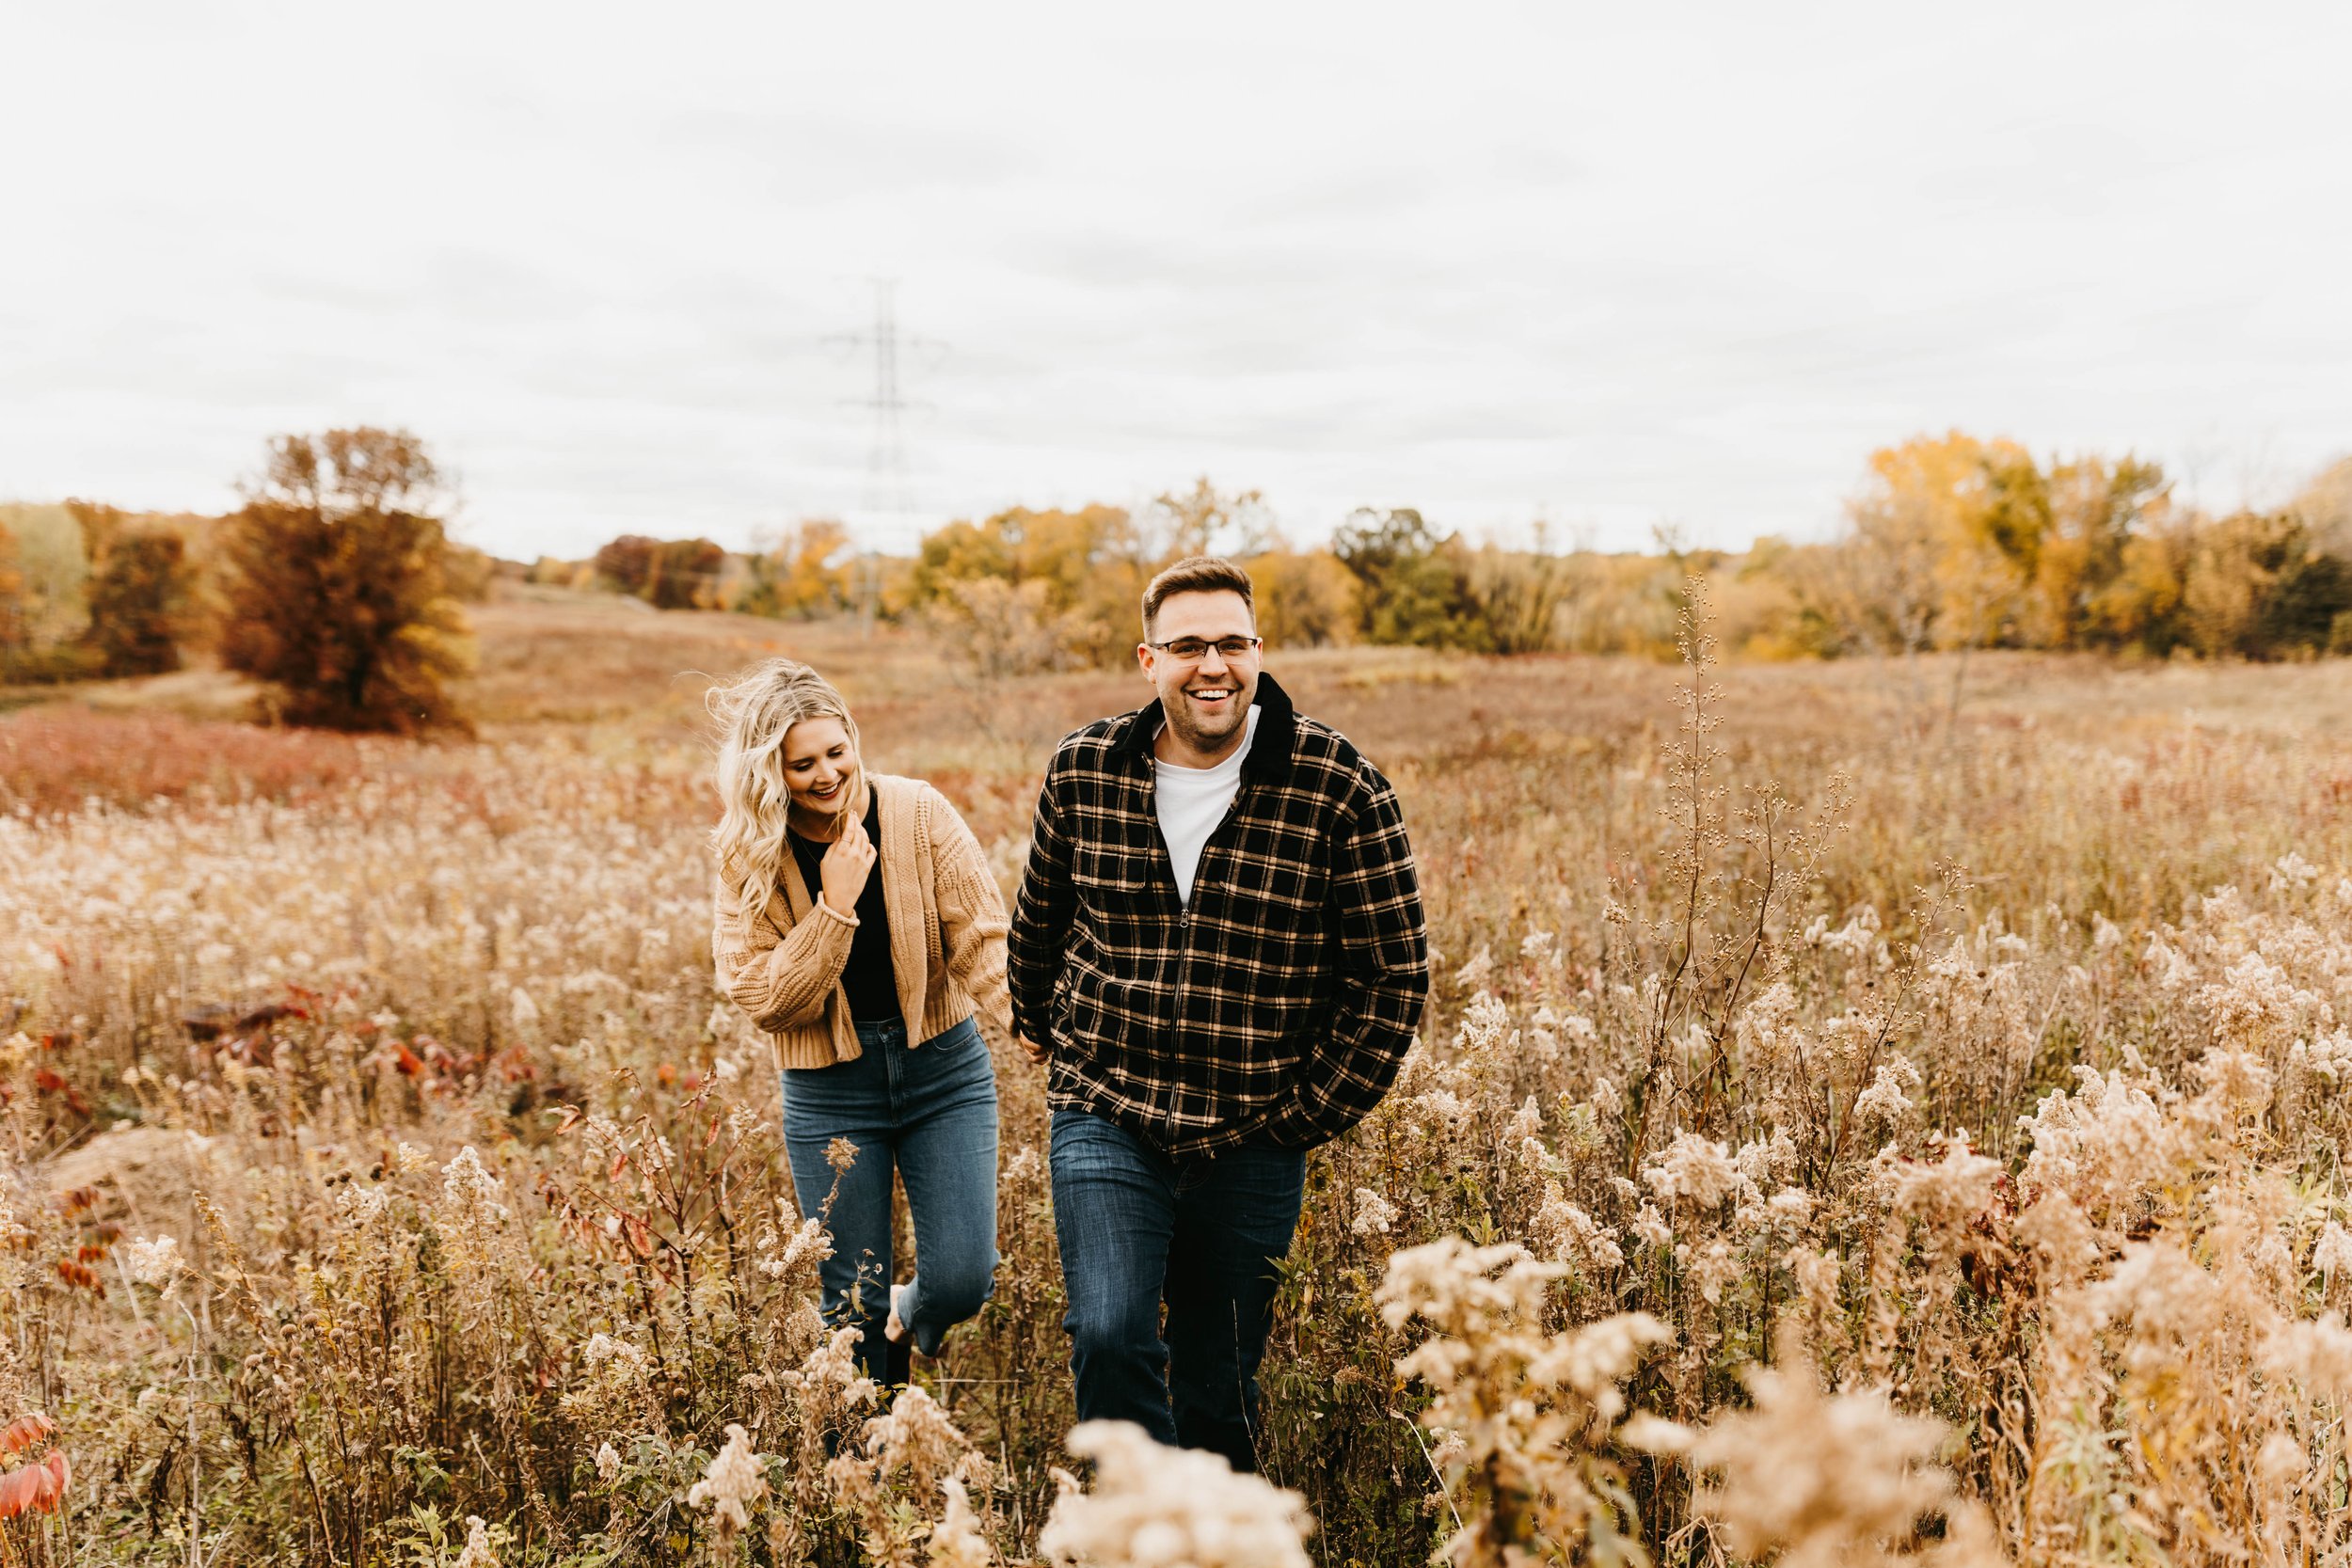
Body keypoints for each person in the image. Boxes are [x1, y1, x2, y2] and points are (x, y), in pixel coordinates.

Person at [1009, 555, 1429, 1473]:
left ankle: (1210, 1532)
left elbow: (1393, 978)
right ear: (1148, 659)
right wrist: (1043, 1024)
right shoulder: (1085, 769)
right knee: (1112, 1333)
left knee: (1218, 1384)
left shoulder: (1336, 784)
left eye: (1231, 643)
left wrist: (1297, 1119)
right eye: (1188, 645)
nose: (1213, 666)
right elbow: (1038, 920)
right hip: (1107, 1110)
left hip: (1253, 1133)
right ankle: (1138, 1526)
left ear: (1258, 651)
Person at [709, 658, 1010, 1386]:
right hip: (829, 1095)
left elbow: (983, 936)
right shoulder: (745, 855)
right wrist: (834, 907)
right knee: (850, 1304)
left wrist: (1030, 1027)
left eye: (836, 752)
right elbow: (767, 999)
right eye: (801, 764)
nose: (826, 775)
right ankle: (863, 1475)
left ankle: (912, 1311)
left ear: (853, 737)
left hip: (945, 1069)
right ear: (768, 774)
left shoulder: (916, 812)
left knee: (965, 1275)